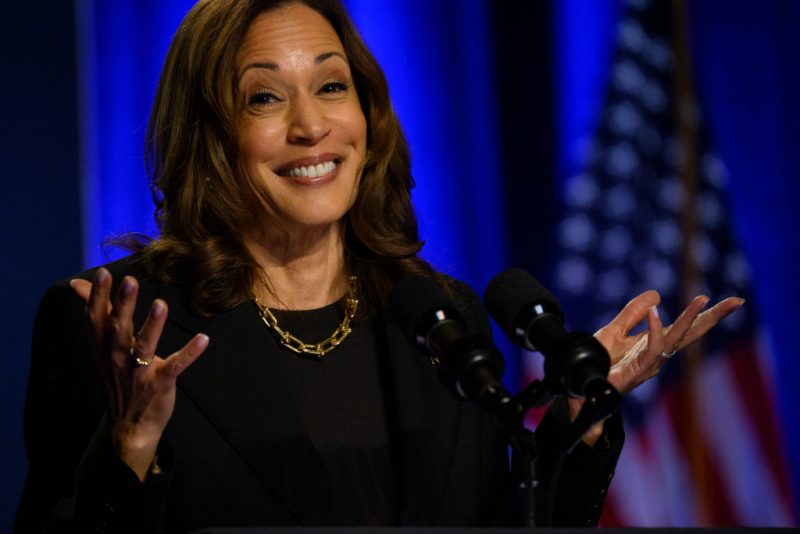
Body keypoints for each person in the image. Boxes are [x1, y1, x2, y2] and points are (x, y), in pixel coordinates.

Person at [14, 0, 743, 532]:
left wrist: (580, 422)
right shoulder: (122, 328)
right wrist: (129, 449)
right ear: (210, 135)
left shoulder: (438, 316)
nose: (311, 126)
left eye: (332, 86)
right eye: (264, 97)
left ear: (368, 114)